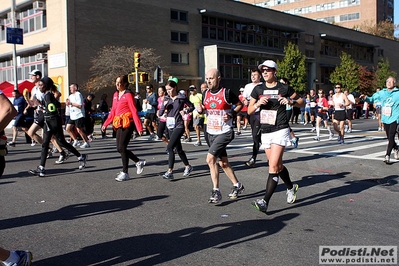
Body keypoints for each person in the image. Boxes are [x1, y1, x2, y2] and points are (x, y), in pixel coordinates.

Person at [248, 60, 302, 214]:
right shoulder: (258, 89)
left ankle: (265, 201)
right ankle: (291, 187)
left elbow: (301, 101)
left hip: (281, 129)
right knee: (277, 165)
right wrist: (258, 103)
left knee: (272, 167)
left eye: (268, 70)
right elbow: (250, 110)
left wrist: (289, 101)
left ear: (275, 72)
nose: (264, 73)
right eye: (262, 70)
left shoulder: (283, 87)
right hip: (266, 130)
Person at [28, 77, 87, 177]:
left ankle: (81, 156)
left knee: (61, 142)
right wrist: (39, 105)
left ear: (46, 86)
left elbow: (52, 108)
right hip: (48, 122)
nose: (39, 87)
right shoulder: (47, 95)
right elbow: (51, 106)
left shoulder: (49, 95)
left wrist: (42, 107)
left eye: (41, 85)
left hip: (53, 121)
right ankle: (41, 168)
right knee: (45, 144)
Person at [201, 68, 245, 204]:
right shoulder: (205, 93)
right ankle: (238, 185)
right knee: (223, 163)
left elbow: (239, 105)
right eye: (207, 78)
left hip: (225, 132)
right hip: (210, 132)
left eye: (211, 78)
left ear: (218, 78)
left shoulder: (226, 92)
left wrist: (231, 113)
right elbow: (205, 107)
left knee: (210, 159)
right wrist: (200, 109)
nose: (209, 81)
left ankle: (216, 191)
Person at [101, 75, 146, 181]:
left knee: (122, 147)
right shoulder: (116, 94)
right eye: (116, 82)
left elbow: (134, 111)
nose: (117, 84)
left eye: (119, 82)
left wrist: (139, 127)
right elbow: (113, 112)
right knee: (119, 148)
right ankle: (138, 162)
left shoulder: (129, 95)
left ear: (125, 83)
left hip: (128, 123)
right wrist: (105, 124)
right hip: (118, 123)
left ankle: (125, 172)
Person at [158, 80, 194, 179]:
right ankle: (188, 166)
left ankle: (170, 171)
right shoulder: (166, 98)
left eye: (170, 89)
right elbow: (160, 113)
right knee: (178, 149)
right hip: (170, 125)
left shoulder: (181, 97)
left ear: (175, 88)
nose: (168, 91)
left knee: (170, 148)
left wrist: (185, 110)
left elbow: (192, 106)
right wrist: (164, 106)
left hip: (179, 125)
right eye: (167, 90)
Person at [360, 76, 399, 164]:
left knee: (392, 135)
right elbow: (372, 99)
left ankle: (387, 155)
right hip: (385, 118)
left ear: (395, 83)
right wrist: (365, 97)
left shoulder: (398, 93)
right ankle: (396, 148)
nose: (388, 83)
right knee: (389, 137)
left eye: (391, 81)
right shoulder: (382, 93)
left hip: (395, 117)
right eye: (387, 81)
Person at [242, 68, 263, 167]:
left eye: (255, 75)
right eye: (252, 75)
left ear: (260, 76)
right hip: (250, 113)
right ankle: (266, 146)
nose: (253, 76)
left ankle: (253, 158)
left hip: (260, 113)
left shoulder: (262, 86)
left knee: (255, 136)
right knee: (256, 136)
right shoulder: (247, 86)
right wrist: (245, 100)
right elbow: (243, 97)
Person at [65, 83, 91, 149]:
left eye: (71, 87)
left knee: (79, 130)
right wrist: (67, 104)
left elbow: (80, 106)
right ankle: (76, 140)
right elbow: (68, 103)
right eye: (70, 87)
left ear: (75, 88)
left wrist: (71, 103)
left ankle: (86, 142)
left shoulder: (78, 94)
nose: (70, 89)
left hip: (78, 114)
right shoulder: (70, 96)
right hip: (72, 115)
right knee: (68, 128)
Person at [280, 78, 299, 148]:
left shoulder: (289, 90)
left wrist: (289, 101)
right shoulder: (279, 90)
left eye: (282, 82)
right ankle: (294, 138)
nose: (280, 84)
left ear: (286, 83)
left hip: (288, 108)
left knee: (284, 123)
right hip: (280, 109)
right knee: (284, 124)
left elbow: (296, 100)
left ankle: (292, 138)